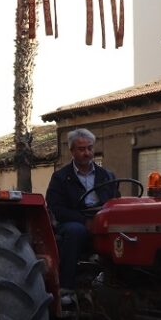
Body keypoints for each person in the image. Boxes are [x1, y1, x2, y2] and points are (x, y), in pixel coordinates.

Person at [45, 128, 118, 306]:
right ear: (72, 151)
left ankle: (120, 283)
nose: (87, 153)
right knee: (75, 232)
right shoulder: (61, 178)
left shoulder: (107, 176)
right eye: (81, 149)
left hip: (101, 218)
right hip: (74, 221)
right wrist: (84, 221)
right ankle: (66, 289)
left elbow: (116, 201)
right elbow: (56, 208)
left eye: (90, 148)